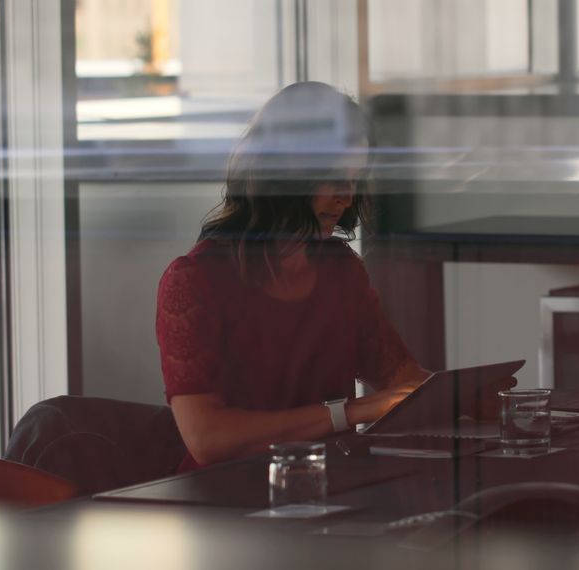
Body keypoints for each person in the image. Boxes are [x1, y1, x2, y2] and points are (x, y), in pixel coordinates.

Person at [155, 82, 432, 471]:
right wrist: (349, 412)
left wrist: (468, 396)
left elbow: (403, 381)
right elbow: (208, 440)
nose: (347, 197)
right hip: (224, 505)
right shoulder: (193, 280)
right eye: (334, 177)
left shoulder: (340, 270)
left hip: (328, 486)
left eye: (354, 179)